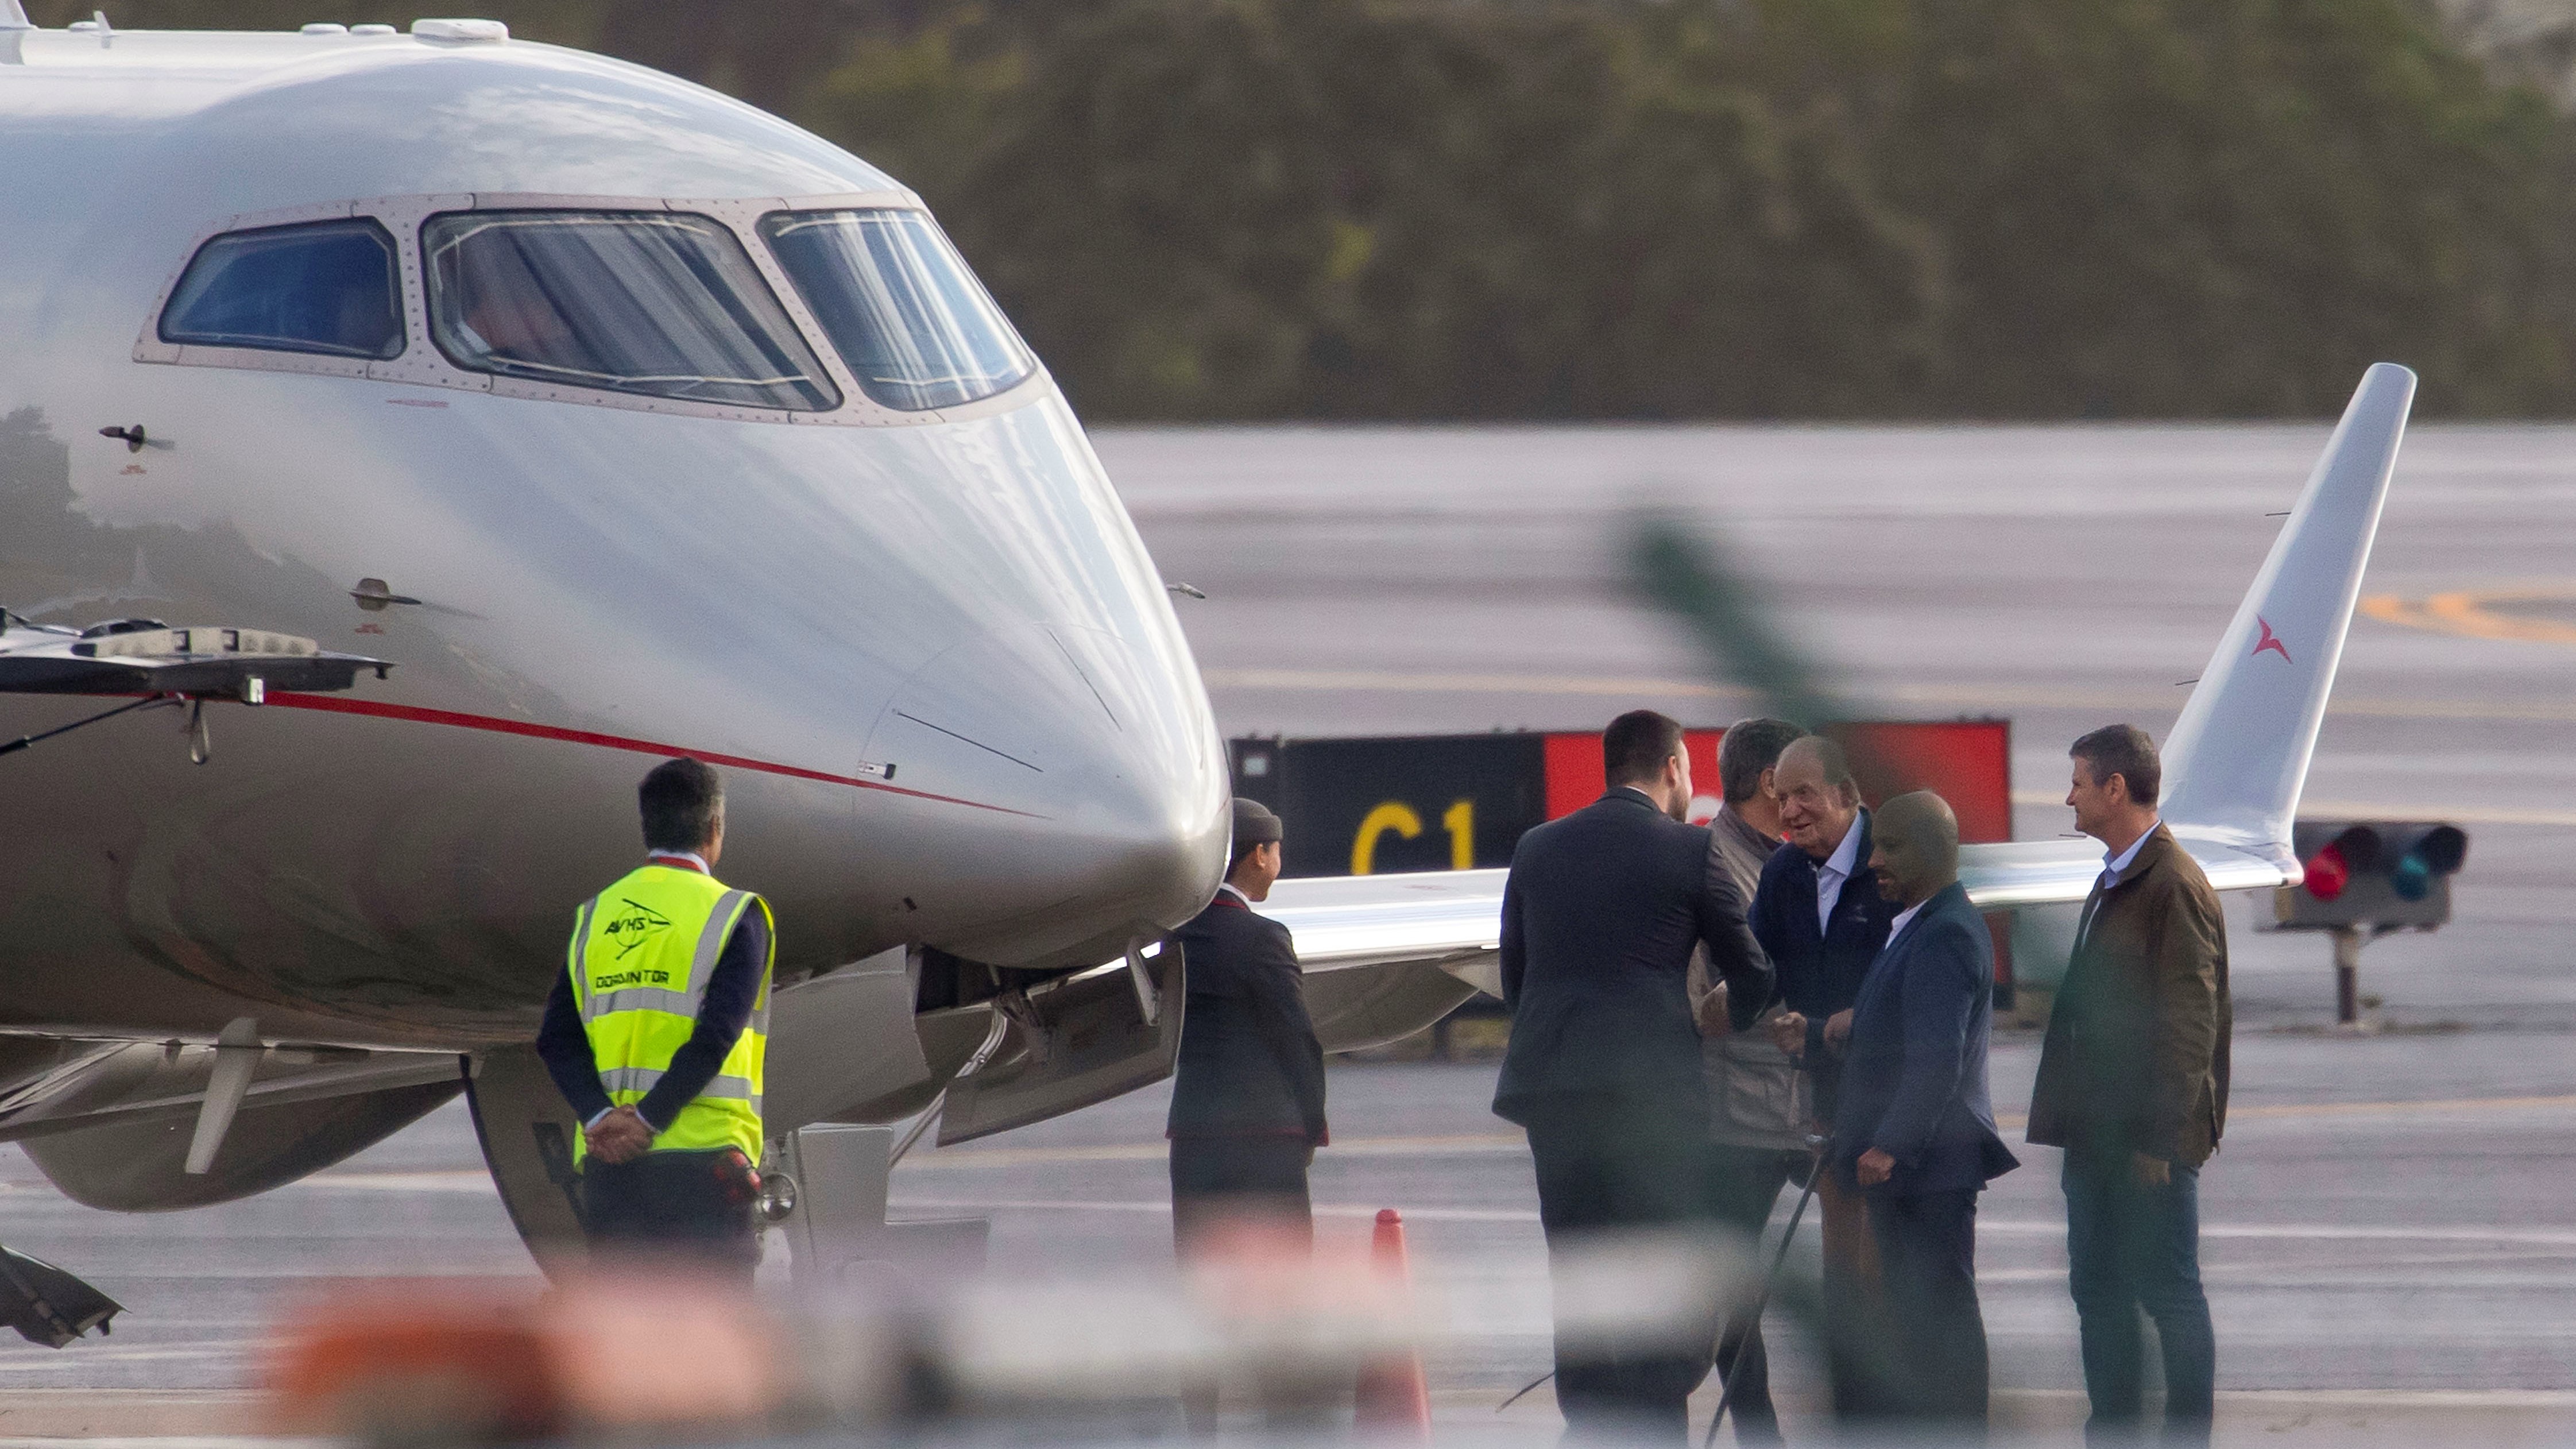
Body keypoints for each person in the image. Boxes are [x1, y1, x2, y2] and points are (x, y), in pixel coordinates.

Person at [1492, 709, 1773, 1443]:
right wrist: (1721, 1016)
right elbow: (1752, 970)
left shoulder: (1537, 847)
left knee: (1579, 1266)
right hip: (1651, 1095)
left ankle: (1590, 1425)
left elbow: (1515, 978)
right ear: (1675, 768)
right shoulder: (1689, 849)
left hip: (1554, 1091)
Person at [2027, 726, 2230, 1447]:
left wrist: (2157, 1137)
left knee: (2169, 1294)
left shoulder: (2171, 886)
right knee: (2099, 1293)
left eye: (2079, 781)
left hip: (2144, 1143)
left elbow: (2188, 1025)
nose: (2069, 796)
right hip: (2097, 1135)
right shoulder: (2119, 876)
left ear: (2116, 789)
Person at [536, 757, 775, 1282]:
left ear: (648, 827)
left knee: (630, 1341)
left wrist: (602, 1120)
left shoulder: (595, 915)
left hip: (613, 1171)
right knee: (711, 1344)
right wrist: (648, 1121)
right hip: (703, 1166)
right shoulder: (734, 913)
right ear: (715, 828)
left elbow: (556, 1038)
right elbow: (715, 1037)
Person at [1828, 791, 2017, 1431]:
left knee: (1941, 1315)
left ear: (1936, 851)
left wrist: (1890, 1146)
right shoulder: (1921, 926)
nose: (1874, 859)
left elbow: (1937, 1059)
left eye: (1891, 846)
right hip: (1916, 1168)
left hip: (1928, 1169)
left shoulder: (1943, 936)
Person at [1749, 735, 1899, 1420]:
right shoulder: (1781, 874)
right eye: (1781, 797)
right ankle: (1856, 1415)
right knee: (1846, 1270)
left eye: (1804, 794)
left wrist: (1831, 1026)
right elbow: (1756, 972)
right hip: (1829, 1102)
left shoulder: (1893, 864)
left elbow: (1920, 988)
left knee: (1900, 1267)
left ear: (1847, 794)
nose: (1790, 811)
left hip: (1904, 1104)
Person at [1686, 717, 1809, 1443]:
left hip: (1799, 1097)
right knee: (1735, 1294)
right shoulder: (1717, 868)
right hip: (1744, 1111)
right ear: (1769, 783)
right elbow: (1709, 1004)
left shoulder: (1787, 857)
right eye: (1794, 783)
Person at [1166, 797, 1328, 1257]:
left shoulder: (1174, 934)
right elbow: (1296, 1037)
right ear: (1259, 854)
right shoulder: (1263, 937)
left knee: (1206, 1274)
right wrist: (1312, 1122)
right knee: (1277, 1283)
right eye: (1276, 851)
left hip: (1193, 1134)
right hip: (1265, 1137)